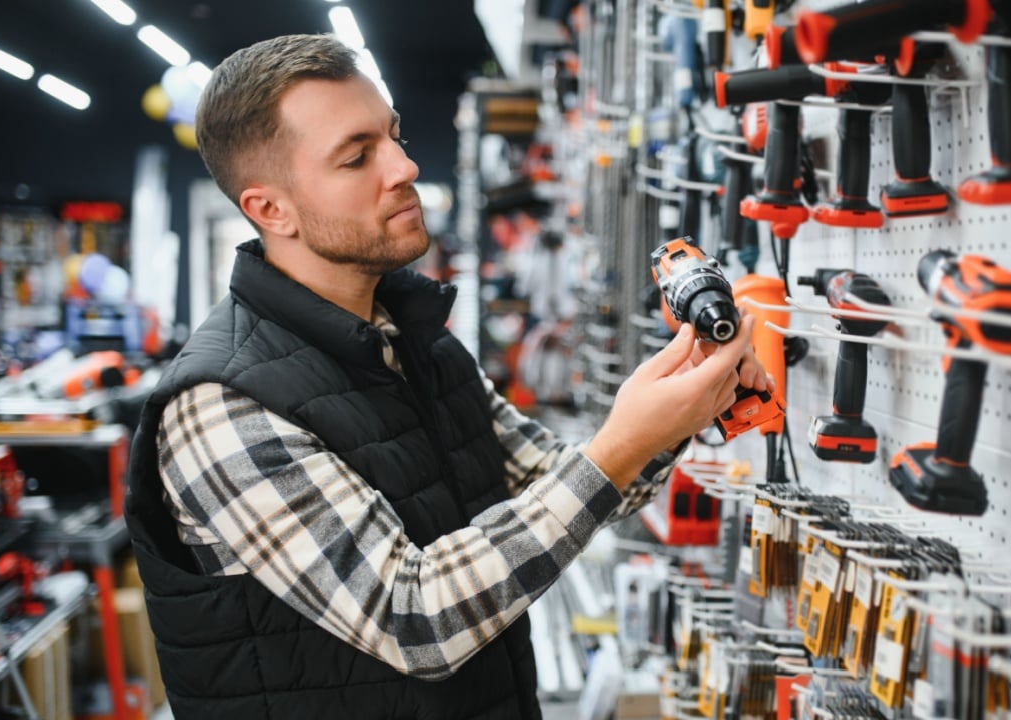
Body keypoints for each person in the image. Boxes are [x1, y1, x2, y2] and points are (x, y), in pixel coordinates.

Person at [125, 33, 772, 720]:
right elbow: (414, 617)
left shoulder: (414, 342)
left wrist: (689, 397)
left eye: (394, 136)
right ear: (269, 209)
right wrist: (622, 442)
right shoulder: (221, 404)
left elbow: (576, 483)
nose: (403, 166)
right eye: (357, 157)